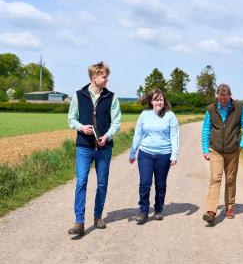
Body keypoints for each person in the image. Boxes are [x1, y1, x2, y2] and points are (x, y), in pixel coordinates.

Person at [67, 61, 121, 236]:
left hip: (104, 148)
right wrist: (82, 128)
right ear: (94, 77)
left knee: (102, 183)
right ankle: (79, 222)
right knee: (81, 181)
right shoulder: (78, 95)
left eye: (107, 76)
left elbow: (117, 122)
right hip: (84, 146)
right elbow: (71, 119)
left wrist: (107, 136)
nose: (107, 80)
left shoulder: (112, 97)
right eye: (104, 76)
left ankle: (98, 216)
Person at [202, 84, 243, 224]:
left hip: (233, 150)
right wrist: (205, 149)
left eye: (225, 99)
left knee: (230, 180)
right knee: (215, 178)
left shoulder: (240, 108)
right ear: (217, 96)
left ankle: (230, 207)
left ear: (230, 95)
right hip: (215, 150)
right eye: (220, 99)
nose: (223, 101)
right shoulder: (211, 109)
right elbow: (206, 129)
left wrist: (242, 145)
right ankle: (211, 211)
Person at [129, 89, 179, 224]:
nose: (159, 102)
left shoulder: (170, 116)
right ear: (151, 101)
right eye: (156, 99)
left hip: (164, 154)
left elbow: (174, 136)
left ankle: (158, 209)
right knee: (145, 183)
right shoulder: (144, 115)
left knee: (160, 184)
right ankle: (143, 211)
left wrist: (174, 154)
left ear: (164, 101)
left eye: (161, 99)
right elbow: (138, 134)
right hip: (145, 154)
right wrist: (132, 151)